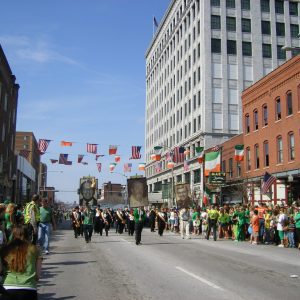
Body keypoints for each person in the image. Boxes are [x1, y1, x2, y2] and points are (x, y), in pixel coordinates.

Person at [0, 225, 42, 300]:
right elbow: (38, 275)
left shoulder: (4, 249)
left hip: (7, 288)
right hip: (29, 289)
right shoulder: (35, 249)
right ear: (27, 235)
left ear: (12, 235)